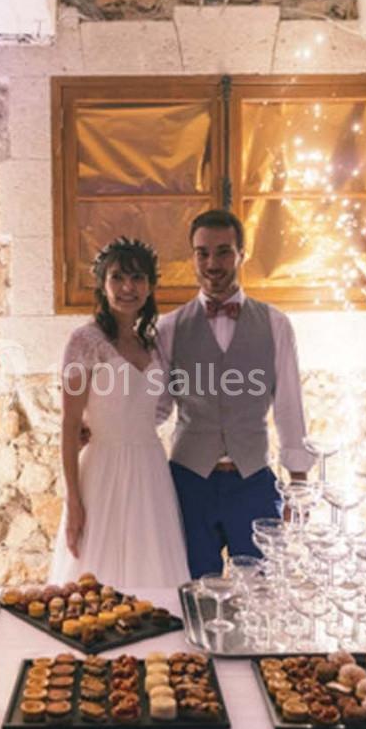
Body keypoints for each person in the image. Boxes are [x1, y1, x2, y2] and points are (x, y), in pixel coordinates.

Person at [157, 209, 314, 578]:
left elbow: (290, 407)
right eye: (203, 252)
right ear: (192, 257)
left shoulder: (276, 324)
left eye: (224, 251)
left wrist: (298, 485)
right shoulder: (169, 328)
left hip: (254, 482)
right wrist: (105, 429)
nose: (213, 263)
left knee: (262, 593)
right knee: (191, 593)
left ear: (242, 254)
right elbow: (157, 407)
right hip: (187, 482)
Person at [48, 238, 190, 587]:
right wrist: (74, 501)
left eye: (138, 278)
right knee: (95, 581)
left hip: (150, 470)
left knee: (153, 572)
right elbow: (68, 427)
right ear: (102, 285)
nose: (128, 287)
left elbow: (151, 410)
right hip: (102, 471)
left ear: (150, 285)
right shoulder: (84, 341)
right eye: (117, 278)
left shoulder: (153, 343)